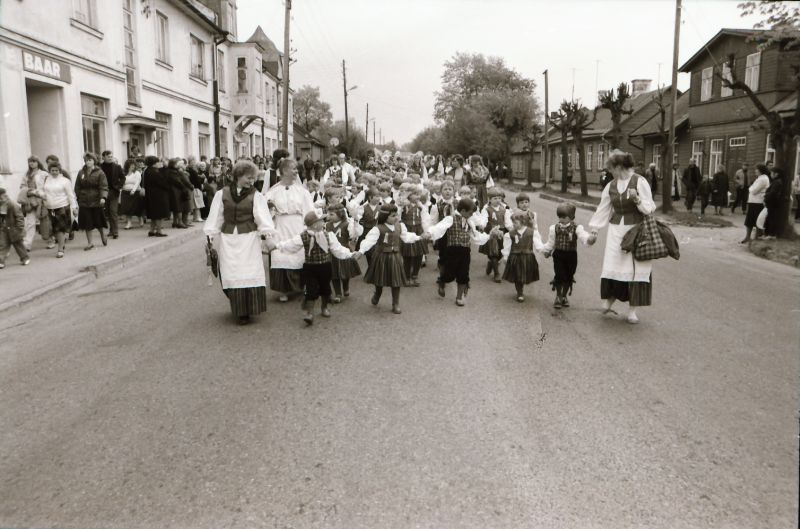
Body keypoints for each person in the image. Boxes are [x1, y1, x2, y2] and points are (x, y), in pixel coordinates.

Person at [588, 149, 655, 325]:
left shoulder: (639, 181)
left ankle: (633, 310)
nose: (610, 172)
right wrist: (595, 229)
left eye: (611, 168)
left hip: (635, 230)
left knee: (634, 269)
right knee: (614, 264)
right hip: (615, 231)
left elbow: (649, 208)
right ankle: (610, 300)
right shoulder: (611, 185)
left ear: (619, 166)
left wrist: (638, 200)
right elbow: (604, 208)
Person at [204, 160, 275, 325]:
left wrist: (268, 236)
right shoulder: (222, 194)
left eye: (253, 178)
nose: (251, 181)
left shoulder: (255, 195)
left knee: (248, 271)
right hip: (228, 239)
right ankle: (238, 307)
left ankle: (248, 310)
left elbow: (262, 218)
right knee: (231, 271)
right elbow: (216, 216)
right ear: (238, 175)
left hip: (249, 238)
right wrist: (210, 237)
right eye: (248, 178)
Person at [270, 210, 360, 325]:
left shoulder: (328, 235)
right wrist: (277, 246)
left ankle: (324, 308)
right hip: (310, 268)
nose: (324, 222)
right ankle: (310, 313)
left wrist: (350, 254)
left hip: (325, 267)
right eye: (322, 221)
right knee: (310, 290)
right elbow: (291, 245)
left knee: (325, 288)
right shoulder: (303, 236)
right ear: (314, 224)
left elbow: (338, 249)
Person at [358, 204, 428, 314]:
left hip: (395, 256)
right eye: (392, 216)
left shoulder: (400, 226)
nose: (396, 218)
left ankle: (395, 303)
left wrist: (419, 237)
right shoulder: (378, 228)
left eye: (396, 215)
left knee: (396, 281)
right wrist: (361, 251)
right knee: (379, 278)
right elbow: (369, 241)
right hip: (381, 256)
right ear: (384, 216)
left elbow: (406, 237)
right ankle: (377, 293)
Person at [264, 157, 315, 302]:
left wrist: (308, 227)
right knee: (280, 254)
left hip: (298, 224)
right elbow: (265, 212)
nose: (296, 172)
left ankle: (301, 285)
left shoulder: (302, 191)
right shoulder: (273, 192)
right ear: (285, 171)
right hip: (280, 225)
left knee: (300, 253)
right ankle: (283, 289)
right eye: (293, 169)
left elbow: (309, 210)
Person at [428, 198, 490, 306]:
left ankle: (459, 297)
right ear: (463, 211)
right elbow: (439, 227)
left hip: (465, 251)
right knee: (449, 274)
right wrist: (429, 233)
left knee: (463, 274)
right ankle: (442, 282)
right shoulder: (450, 219)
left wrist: (489, 236)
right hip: (452, 251)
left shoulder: (469, 222)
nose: (471, 216)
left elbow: (475, 235)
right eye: (470, 213)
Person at [541, 203, 592, 308]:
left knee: (569, 276)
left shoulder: (577, 228)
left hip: (571, 256)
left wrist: (590, 239)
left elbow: (583, 237)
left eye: (564, 217)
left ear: (572, 217)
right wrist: (547, 251)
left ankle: (564, 296)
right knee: (559, 275)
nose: (561, 219)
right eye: (560, 217)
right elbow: (551, 242)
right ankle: (558, 296)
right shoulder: (554, 228)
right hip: (559, 255)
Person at [500, 211, 545, 302]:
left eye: (515, 223)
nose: (513, 225)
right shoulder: (510, 234)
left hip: (527, 257)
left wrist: (546, 250)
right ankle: (519, 292)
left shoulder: (532, 233)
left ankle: (521, 288)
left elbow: (539, 245)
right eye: (513, 222)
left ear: (523, 222)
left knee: (524, 275)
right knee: (517, 276)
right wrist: (505, 256)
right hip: (515, 257)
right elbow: (507, 247)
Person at [325, 203, 362, 302]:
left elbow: (354, 234)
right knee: (334, 274)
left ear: (340, 214)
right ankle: (338, 294)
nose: (329, 216)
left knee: (345, 274)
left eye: (332, 214)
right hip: (332, 253)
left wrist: (355, 221)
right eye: (328, 214)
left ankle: (346, 287)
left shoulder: (347, 224)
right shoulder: (327, 225)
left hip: (344, 250)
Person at [42, 162, 78, 258]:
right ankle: (62, 244)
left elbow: (71, 195)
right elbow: (43, 192)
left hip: (62, 206)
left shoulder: (65, 181)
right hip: (50, 207)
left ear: (59, 170)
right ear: (49, 171)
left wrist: (74, 207)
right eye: (52, 170)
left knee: (59, 229)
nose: (54, 172)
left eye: (56, 170)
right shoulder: (46, 180)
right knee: (54, 228)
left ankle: (60, 249)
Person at [75, 152, 109, 250]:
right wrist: (78, 197)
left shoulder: (100, 172)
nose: (88, 162)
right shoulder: (81, 172)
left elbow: (104, 186)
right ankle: (90, 243)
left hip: (96, 200)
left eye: (90, 160)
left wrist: (103, 197)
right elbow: (77, 186)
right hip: (84, 201)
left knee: (98, 222)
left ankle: (102, 235)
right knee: (87, 223)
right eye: (86, 160)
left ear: (94, 161)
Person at [398, 186, 428, 286]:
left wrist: (426, 231)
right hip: (408, 230)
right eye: (415, 194)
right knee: (408, 256)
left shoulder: (421, 206)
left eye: (418, 194)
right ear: (409, 195)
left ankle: (415, 275)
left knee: (419, 254)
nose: (418, 196)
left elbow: (425, 219)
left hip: (419, 230)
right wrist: (403, 202)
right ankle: (406, 277)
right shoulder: (404, 206)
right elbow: (398, 214)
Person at [479, 187, 510, 283]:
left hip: (502, 233)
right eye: (495, 198)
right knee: (493, 253)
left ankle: (491, 264)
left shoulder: (505, 210)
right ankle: (497, 273)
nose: (497, 200)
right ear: (490, 199)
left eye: (499, 198)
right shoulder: (486, 209)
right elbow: (484, 219)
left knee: (500, 253)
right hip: (491, 233)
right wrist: (482, 225)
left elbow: (508, 223)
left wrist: (512, 230)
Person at [18, 156, 48, 251]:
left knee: (45, 221)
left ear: (38, 162)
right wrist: (29, 191)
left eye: (34, 161)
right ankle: (27, 244)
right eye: (30, 162)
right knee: (30, 223)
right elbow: (22, 186)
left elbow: (48, 186)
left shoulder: (44, 174)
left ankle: (50, 239)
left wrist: (42, 194)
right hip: (30, 201)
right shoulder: (26, 175)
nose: (32, 163)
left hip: (42, 200)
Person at [0, 187, 30, 268]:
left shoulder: (12, 205)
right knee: (2, 245)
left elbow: (19, 216)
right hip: (3, 229)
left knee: (18, 244)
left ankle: (24, 257)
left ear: (5, 196)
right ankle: (1, 261)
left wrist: (19, 227)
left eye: (1, 198)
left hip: (14, 228)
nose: (1, 200)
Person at [741, 163, 771, 243]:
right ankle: (748, 237)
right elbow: (752, 188)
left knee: (757, 221)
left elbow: (753, 190)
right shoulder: (759, 178)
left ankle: (756, 238)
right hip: (753, 202)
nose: (755, 171)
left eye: (756, 169)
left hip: (758, 202)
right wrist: (751, 188)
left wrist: (750, 189)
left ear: (760, 170)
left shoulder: (763, 179)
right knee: (749, 221)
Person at [141, 156, 170, 237]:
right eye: (158, 162)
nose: (159, 163)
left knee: (154, 214)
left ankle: (151, 230)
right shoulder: (155, 172)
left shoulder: (147, 170)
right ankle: (159, 231)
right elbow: (163, 182)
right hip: (158, 195)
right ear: (154, 163)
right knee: (159, 214)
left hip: (151, 195)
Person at [100, 150, 125, 239]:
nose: (110, 158)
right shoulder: (99, 167)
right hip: (103, 192)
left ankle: (115, 232)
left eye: (111, 156)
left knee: (113, 211)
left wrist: (118, 187)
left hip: (113, 191)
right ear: (103, 157)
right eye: (108, 156)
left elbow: (122, 177)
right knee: (107, 212)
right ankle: (111, 230)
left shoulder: (117, 167)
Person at [119, 159, 144, 230]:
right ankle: (129, 223)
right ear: (127, 166)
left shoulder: (137, 173)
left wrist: (133, 190)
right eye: (131, 165)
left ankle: (140, 219)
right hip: (125, 192)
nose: (133, 166)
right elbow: (121, 182)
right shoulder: (124, 173)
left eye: (133, 165)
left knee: (136, 208)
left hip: (135, 192)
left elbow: (137, 182)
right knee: (127, 209)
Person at [763, 167, 785, 238]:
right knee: (770, 218)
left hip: (773, 203)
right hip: (773, 203)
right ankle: (768, 234)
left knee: (771, 218)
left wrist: (765, 197)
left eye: (772, 173)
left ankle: (771, 234)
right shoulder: (776, 181)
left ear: (776, 174)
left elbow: (772, 193)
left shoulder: (777, 182)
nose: (771, 174)